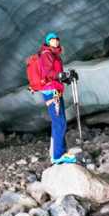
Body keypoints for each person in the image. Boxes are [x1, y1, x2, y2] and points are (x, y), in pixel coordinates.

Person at [37, 32, 78, 164]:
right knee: (59, 122)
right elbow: (49, 73)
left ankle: (59, 153)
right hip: (51, 91)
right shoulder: (47, 54)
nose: (55, 41)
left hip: (55, 89)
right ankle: (58, 155)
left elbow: (56, 75)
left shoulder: (53, 54)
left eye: (56, 39)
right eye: (52, 40)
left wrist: (66, 78)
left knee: (59, 122)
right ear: (48, 42)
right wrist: (63, 75)